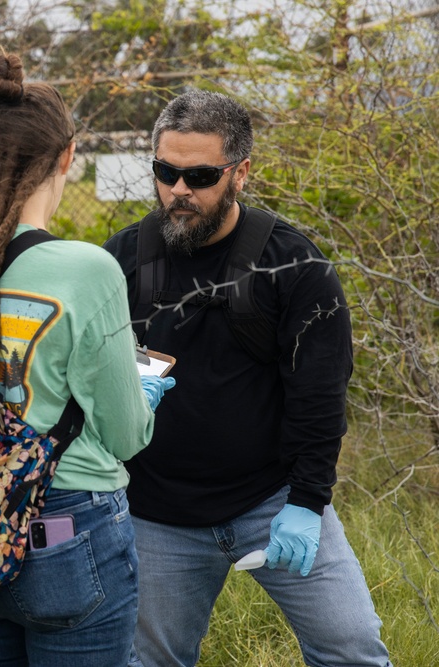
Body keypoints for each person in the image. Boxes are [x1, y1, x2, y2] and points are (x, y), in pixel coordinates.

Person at [0, 52, 172, 667]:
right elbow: (126, 437)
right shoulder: (88, 269)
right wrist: (142, 396)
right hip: (67, 527)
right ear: (67, 157)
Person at [102, 89, 391, 667]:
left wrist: (308, 502)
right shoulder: (121, 262)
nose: (180, 190)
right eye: (166, 171)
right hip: (156, 512)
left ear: (240, 174)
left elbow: (320, 395)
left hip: (275, 500)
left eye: (202, 175)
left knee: (353, 649)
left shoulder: (295, 267)